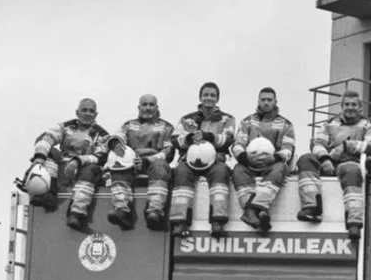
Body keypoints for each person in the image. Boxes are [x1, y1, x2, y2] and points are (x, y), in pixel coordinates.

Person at [296, 89, 371, 241]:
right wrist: (325, 159)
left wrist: (347, 146)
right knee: (305, 159)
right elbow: (317, 143)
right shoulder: (329, 124)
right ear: (341, 106)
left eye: (354, 104)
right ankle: (311, 206)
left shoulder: (369, 124)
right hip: (329, 162)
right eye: (347, 104)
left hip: (350, 162)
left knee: (352, 171)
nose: (350, 107)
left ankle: (354, 223)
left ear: (360, 107)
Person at [26, 98, 109, 231]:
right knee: (50, 153)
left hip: (85, 171)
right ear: (77, 112)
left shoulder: (102, 134)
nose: (87, 113)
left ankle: (76, 214)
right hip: (62, 169)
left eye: (91, 111)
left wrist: (78, 161)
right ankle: (47, 195)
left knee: (92, 169)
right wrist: (40, 156)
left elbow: (101, 157)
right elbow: (46, 137)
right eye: (84, 110)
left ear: (96, 115)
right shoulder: (65, 127)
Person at [169, 82, 236, 238]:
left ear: (217, 98)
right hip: (189, 160)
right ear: (200, 97)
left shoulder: (227, 119)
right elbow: (174, 140)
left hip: (216, 161)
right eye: (206, 95)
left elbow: (229, 140)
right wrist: (189, 138)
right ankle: (180, 222)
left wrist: (208, 136)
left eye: (213, 95)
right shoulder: (186, 119)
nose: (209, 98)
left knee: (222, 173)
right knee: (180, 172)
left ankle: (218, 222)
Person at [105, 94, 174, 231]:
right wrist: (114, 142)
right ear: (139, 107)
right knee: (118, 165)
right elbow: (119, 136)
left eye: (151, 104)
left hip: (153, 163)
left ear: (156, 107)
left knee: (161, 166)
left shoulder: (166, 127)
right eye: (145, 104)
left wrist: (147, 161)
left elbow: (168, 152)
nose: (148, 108)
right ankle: (122, 210)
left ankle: (155, 211)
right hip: (131, 163)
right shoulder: (129, 125)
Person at [231, 87, 296, 232]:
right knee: (238, 171)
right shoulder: (247, 121)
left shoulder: (286, 124)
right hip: (249, 164)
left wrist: (274, 158)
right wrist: (244, 157)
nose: (266, 102)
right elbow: (238, 143)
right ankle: (259, 212)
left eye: (269, 100)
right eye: (263, 99)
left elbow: (288, 148)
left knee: (280, 169)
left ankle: (251, 211)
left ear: (275, 102)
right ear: (258, 101)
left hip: (272, 164)